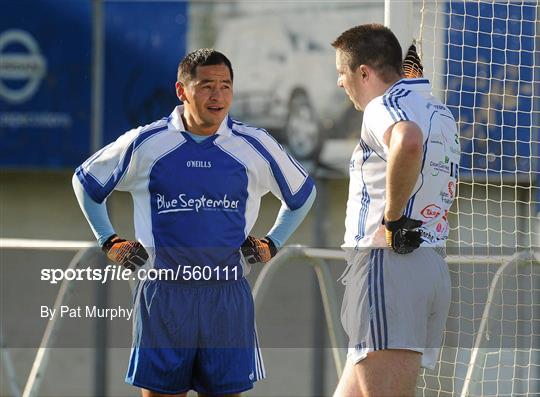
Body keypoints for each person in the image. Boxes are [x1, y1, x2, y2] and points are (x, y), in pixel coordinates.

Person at [73, 48, 315, 397]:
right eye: (206, 86)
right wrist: (108, 241)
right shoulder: (147, 142)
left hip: (226, 297)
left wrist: (273, 242)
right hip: (163, 294)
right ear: (181, 90)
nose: (217, 95)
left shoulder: (254, 144)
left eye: (225, 85)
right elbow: (85, 182)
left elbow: (302, 194)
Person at [331, 24, 459, 396]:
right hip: (428, 267)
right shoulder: (441, 111)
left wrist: (392, 220)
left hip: (388, 267)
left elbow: (407, 139)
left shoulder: (380, 107)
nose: (340, 83)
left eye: (342, 73)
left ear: (364, 73)